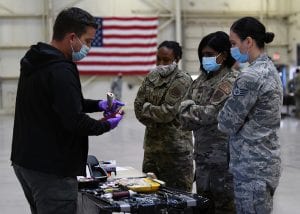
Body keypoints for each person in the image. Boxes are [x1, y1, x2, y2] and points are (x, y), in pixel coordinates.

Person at [10, 7, 124, 214]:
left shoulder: (37, 60)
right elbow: (75, 121)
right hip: (51, 168)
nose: (89, 47)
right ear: (72, 37)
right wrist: (106, 124)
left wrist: (98, 104)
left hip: (26, 160)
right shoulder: (60, 69)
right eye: (88, 41)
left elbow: (64, 102)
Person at [217, 17, 283, 214]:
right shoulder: (269, 69)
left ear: (248, 42)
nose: (232, 49)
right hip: (264, 163)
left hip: (251, 168)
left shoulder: (251, 76)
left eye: (233, 43)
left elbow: (226, 123)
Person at [179, 31, 238, 213]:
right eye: (203, 55)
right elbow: (184, 119)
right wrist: (189, 112)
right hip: (203, 160)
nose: (205, 59)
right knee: (204, 207)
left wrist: (187, 109)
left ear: (224, 55)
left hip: (223, 162)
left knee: (225, 208)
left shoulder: (231, 81)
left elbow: (211, 114)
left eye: (210, 55)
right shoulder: (200, 81)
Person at [134, 41, 193, 192]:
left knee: (178, 200)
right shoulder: (151, 77)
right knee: (150, 197)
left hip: (175, 153)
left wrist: (147, 108)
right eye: (158, 59)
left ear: (177, 59)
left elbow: (167, 112)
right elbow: (137, 108)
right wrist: (153, 111)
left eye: (165, 60)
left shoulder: (182, 80)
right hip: (152, 151)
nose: (160, 63)